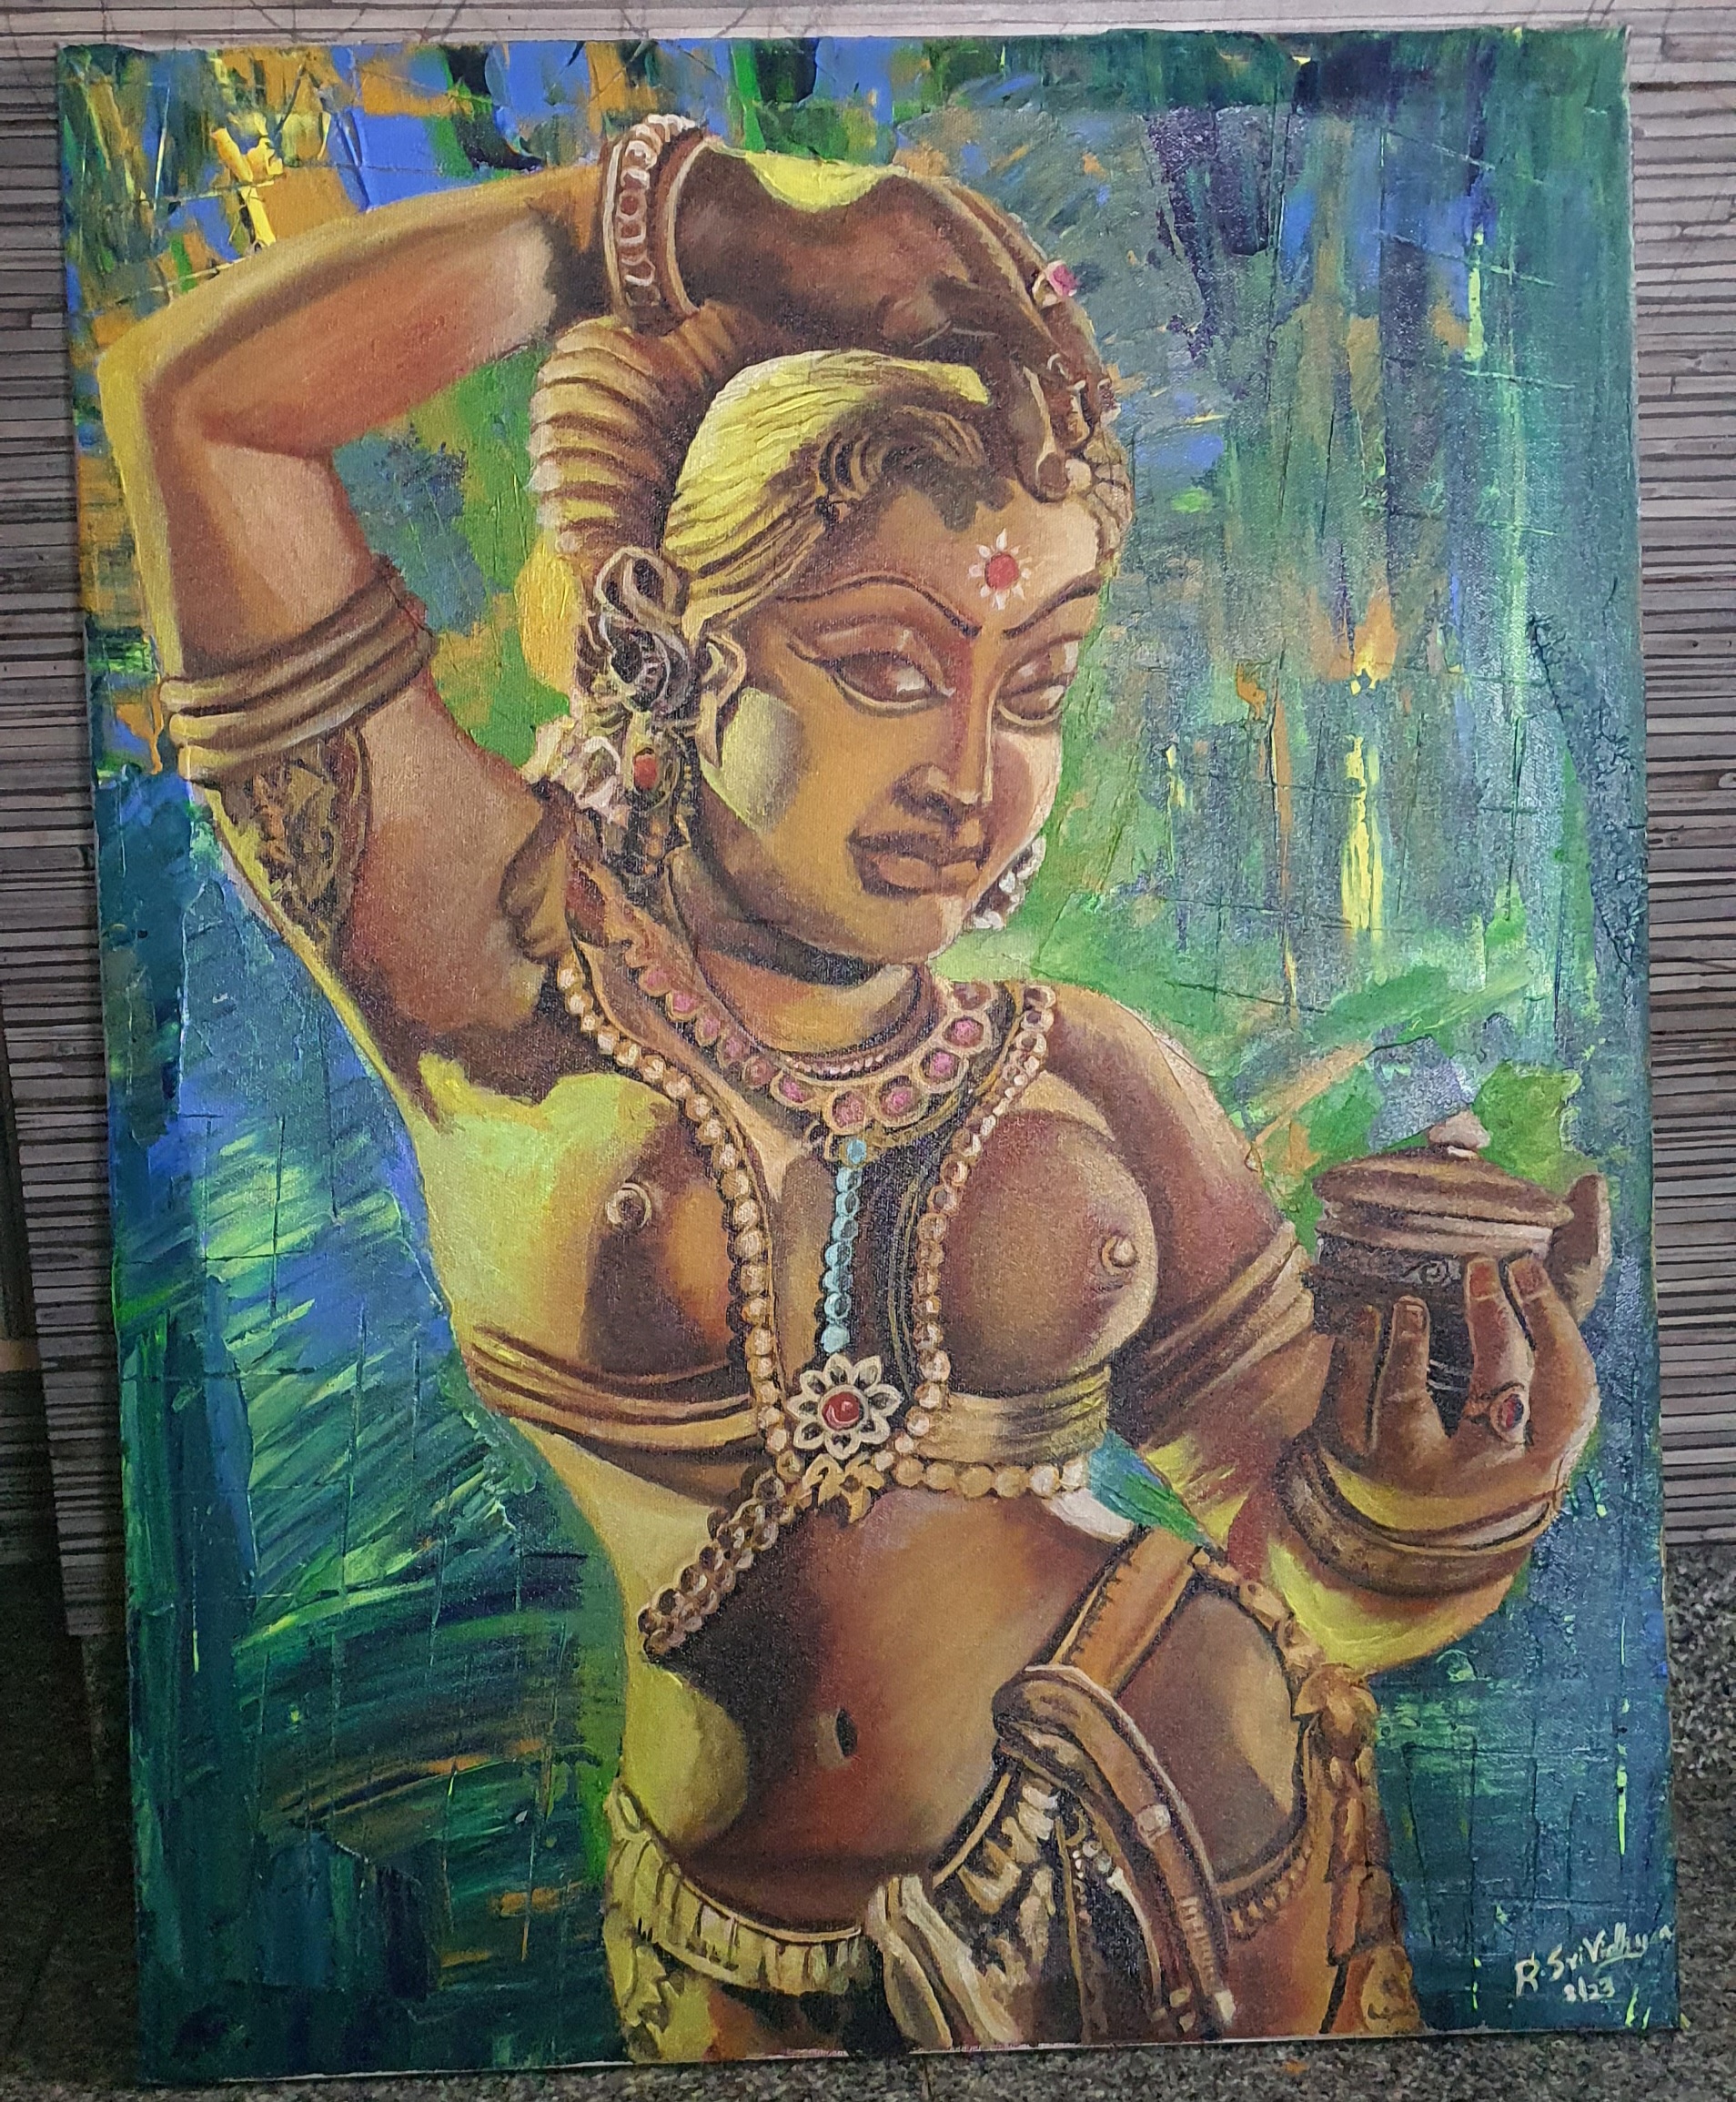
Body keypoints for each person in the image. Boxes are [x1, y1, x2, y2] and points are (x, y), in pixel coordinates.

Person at [100, 119, 1600, 2059]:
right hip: (738, 1965)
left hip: (1236, 1871)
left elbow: (1299, 1557)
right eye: (889, 664)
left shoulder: (1088, 1072)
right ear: (666, 647)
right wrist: (698, 223)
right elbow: (199, 411)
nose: (973, 776)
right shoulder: (498, 977)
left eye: (1034, 686)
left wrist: (1435, 1505)